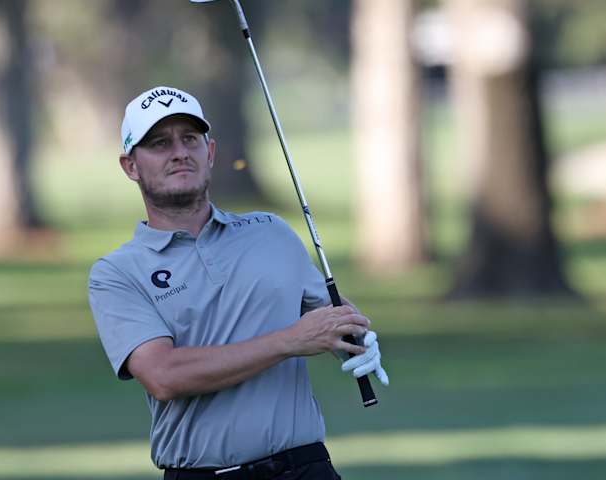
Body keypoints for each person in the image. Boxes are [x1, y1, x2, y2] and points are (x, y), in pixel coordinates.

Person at [88, 86, 389, 480]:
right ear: (131, 166)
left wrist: (357, 339)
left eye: (189, 139)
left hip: (306, 467)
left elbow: (331, 320)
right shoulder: (116, 273)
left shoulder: (271, 233)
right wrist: (289, 340)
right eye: (160, 143)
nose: (179, 152)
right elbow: (164, 375)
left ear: (209, 153)